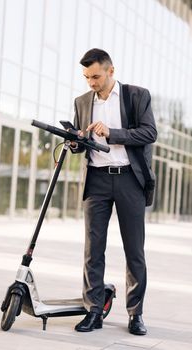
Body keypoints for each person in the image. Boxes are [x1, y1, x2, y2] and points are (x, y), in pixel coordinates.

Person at [71, 48, 157, 335]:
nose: (91, 83)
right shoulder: (82, 102)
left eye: (95, 76)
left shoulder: (136, 96)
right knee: (92, 251)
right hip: (96, 180)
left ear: (111, 71)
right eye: (86, 77)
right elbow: (81, 143)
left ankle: (135, 314)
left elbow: (149, 133)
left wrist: (112, 133)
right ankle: (93, 311)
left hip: (129, 179)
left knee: (134, 250)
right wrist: (76, 141)